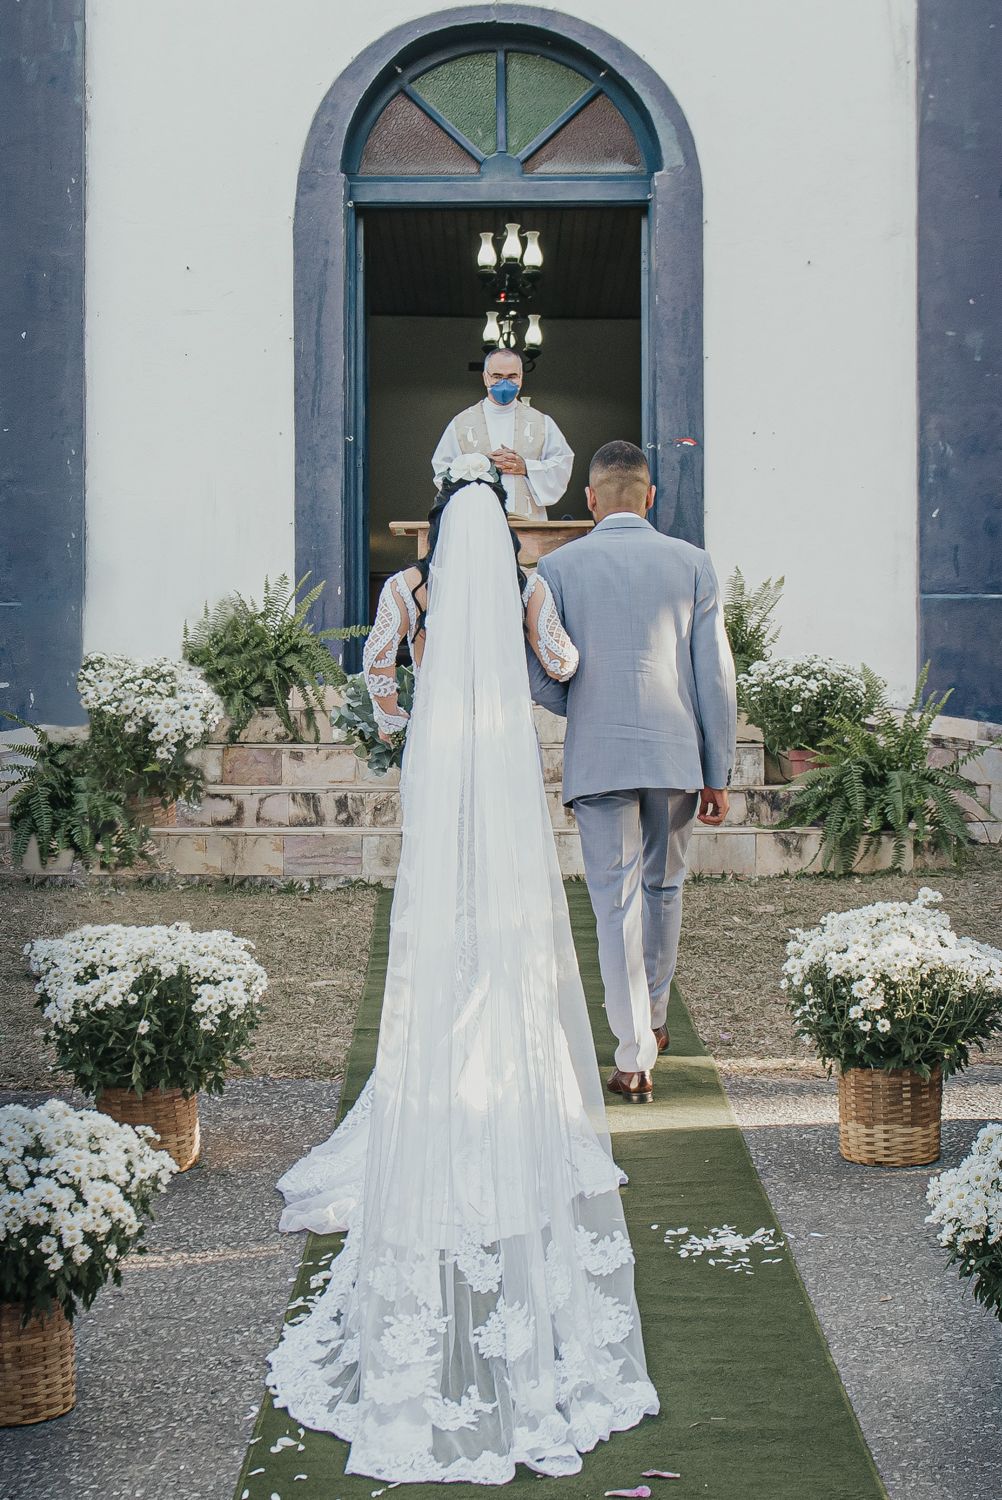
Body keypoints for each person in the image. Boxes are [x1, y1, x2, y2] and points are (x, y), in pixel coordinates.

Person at [263, 453, 659, 1486]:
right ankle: (502, 1056)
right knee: (509, 920)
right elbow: (565, 663)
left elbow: (378, 669)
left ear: (439, 523)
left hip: (441, 762)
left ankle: (444, 1058)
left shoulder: (407, 586)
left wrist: (398, 731)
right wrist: (533, 654)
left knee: (444, 919)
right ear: (509, 535)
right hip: (502, 758)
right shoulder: (532, 585)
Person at [527, 441, 737, 1104]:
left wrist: (584, 705)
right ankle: (653, 1018)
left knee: (614, 903)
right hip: (676, 754)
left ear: (589, 499)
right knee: (663, 889)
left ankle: (632, 1055)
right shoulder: (692, 563)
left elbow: (541, 670)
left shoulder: (555, 569)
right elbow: (715, 677)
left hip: (599, 756)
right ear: (650, 497)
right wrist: (718, 770)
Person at [431, 348, 573, 520]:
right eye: (497, 376)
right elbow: (442, 473)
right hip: (478, 521)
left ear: (521, 377)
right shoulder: (461, 423)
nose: (504, 383)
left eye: (512, 376)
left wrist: (526, 467)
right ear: (485, 377)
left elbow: (561, 466)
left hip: (528, 522)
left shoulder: (542, 423)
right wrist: (482, 465)